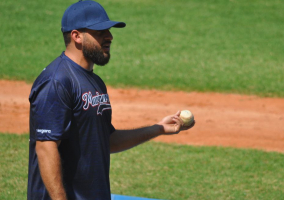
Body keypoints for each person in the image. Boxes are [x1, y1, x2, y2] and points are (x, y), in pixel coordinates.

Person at [27, 1, 194, 199]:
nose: (109, 37)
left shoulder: (95, 82)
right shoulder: (57, 81)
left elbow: (106, 141)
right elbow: (46, 147)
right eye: (100, 32)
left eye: (108, 31)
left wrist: (159, 128)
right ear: (76, 36)